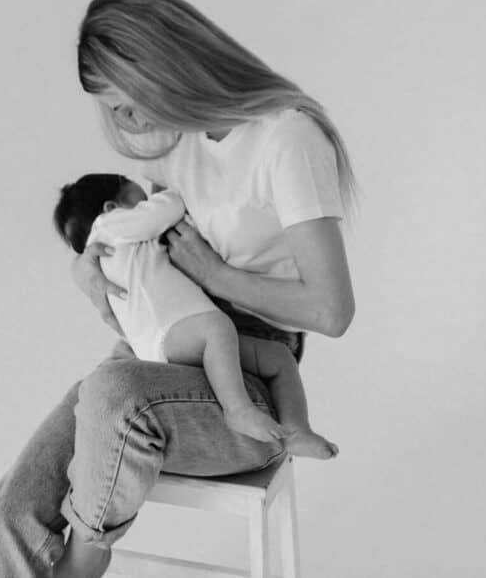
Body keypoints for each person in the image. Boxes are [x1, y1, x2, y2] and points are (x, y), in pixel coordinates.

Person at [0, 0, 356, 578]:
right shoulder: (170, 145)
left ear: (164, 67)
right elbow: (127, 235)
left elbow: (333, 311)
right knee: (13, 508)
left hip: (249, 382)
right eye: (111, 109)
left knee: (112, 393)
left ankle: (82, 563)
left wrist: (219, 277)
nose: (123, 122)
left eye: (126, 103)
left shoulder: (287, 137)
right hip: (158, 350)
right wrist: (86, 268)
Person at [52, 172, 339, 453]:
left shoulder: (126, 241)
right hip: (167, 335)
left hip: (182, 335)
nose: (150, 198)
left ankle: (298, 430)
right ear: (111, 208)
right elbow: (168, 207)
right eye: (140, 195)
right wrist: (178, 186)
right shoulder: (109, 227)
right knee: (216, 328)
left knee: (278, 358)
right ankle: (237, 409)